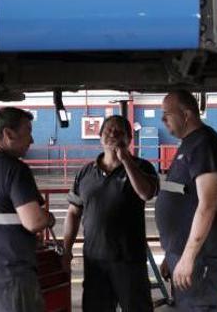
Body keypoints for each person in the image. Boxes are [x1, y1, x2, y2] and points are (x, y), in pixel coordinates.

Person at [0, 107, 56, 312]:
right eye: (28, 131)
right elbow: (34, 222)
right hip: (11, 273)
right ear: (8, 134)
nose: (31, 140)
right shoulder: (15, 169)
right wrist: (49, 218)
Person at [63, 115, 159, 311]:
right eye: (108, 130)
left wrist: (126, 160)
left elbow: (146, 193)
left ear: (130, 139)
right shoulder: (85, 173)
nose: (113, 134)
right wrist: (66, 250)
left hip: (130, 261)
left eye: (120, 131)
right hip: (95, 262)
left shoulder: (142, 167)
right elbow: (73, 213)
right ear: (100, 137)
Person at [155, 90, 217, 310]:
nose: (162, 119)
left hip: (202, 256)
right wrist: (172, 253)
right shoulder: (191, 144)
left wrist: (188, 257)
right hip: (186, 253)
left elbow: (208, 205)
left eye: (167, 114)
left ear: (187, 114)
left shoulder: (205, 145)